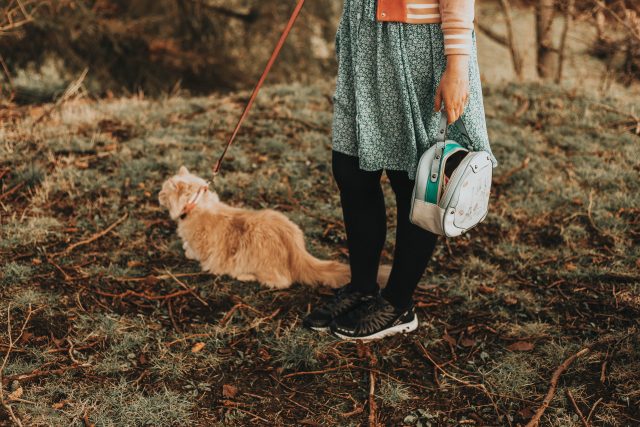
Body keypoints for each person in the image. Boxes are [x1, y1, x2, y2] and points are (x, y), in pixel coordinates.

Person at [303, 0, 497, 340]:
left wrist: (457, 65)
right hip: (364, 36)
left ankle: (398, 303)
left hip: (417, 43)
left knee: (416, 178)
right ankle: (363, 288)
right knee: (350, 170)